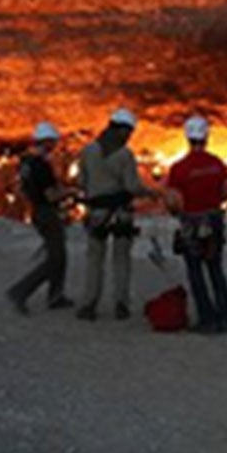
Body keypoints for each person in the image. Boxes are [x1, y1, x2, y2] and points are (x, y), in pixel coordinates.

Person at [73, 107, 157, 321]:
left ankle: (89, 304)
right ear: (122, 130)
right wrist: (150, 192)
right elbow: (131, 185)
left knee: (94, 259)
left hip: (96, 213)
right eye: (128, 132)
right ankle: (120, 304)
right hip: (120, 213)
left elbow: (81, 182)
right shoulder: (124, 154)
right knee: (121, 259)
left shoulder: (88, 151)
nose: (129, 136)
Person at [164, 115, 227, 334]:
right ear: (206, 137)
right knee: (215, 268)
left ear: (187, 138)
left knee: (195, 271)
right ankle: (225, 314)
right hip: (214, 220)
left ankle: (207, 318)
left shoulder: (179, 168)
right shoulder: (217, 163)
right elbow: (226, 193)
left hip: (191, 222)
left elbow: (174, 200)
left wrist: (176, 212)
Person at [7, 122, 76, 314]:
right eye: (52, 142)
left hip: (37, 210)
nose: (54, 146)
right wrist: (71, 192)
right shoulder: (41, 166)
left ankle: (56, 296)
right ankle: (20, 291)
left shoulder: (26, 163)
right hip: (46, 212)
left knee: (59, 254)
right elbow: (51, 195)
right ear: (45, 141)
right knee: (56, 258)